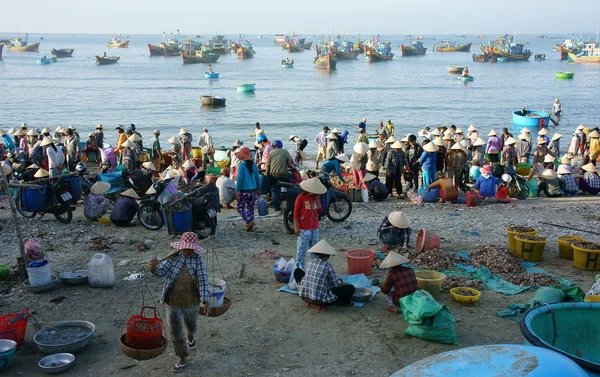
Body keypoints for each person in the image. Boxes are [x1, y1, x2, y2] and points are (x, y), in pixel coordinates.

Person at [149, 232, 210, 374]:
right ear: (181, 247)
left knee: (191, 326)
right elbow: (161, 271)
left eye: (190, 249)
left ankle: (190, 335)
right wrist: (154, 267)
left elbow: (203, 280)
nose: (187, 251)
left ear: (194, 249)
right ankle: (182, 357)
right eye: (185, 248)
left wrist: (205, 300)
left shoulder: (198, 261)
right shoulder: (173, 258)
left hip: (191, 301)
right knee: (175, 331)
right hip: (172, 301)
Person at [296, 240, 355, 306]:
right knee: (350, 288)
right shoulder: (327, 265)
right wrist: (342, 284)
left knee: (297, 271)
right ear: (325, 255)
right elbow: (334, 285)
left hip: (305, 297)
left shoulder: (310, 262)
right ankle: (342, 302)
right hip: (321, 301)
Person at [293, 177, 326, 269]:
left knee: (314, 250)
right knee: (301, 250)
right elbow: (296, 213)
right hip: (304, 227)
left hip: (314, 227)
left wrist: (317, 200)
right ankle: (299, 270)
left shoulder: (315, 198)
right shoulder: (301, 198)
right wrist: (296, 226)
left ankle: (312, 268)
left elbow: (320, 210)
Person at [235, 147, 260, 232]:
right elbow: (258, 178)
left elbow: (240, 180)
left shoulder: (241, 166)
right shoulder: (254, 165)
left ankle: (249, 221)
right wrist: (259, 188)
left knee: (240, 207)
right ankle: (250, 225)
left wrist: (237, 190)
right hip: (253, 191)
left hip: (243, 191)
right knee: (250, 208)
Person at [263, 140, 292, 210]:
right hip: (283, 176)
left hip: (274, 175)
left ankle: (276, 206)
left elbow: (268, 165)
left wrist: (266, 174)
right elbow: (289, 163)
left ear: (274, 146)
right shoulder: (285, 151)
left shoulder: (271, 153)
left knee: (274, 188)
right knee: (289, 182)